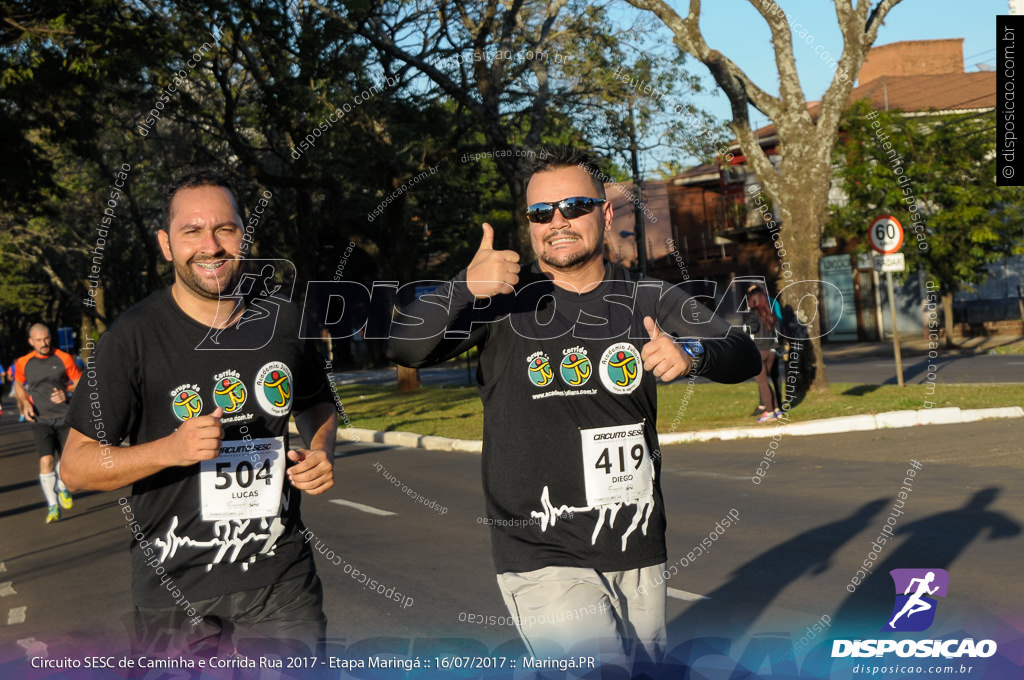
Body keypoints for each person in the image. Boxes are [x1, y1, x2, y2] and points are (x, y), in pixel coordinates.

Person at [387, 148, 760, 669]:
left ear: (605, 215)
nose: (557, 222)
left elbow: (741, 353)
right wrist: (461, 288)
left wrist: (692, 353)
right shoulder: (502, 303)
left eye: (575, 206)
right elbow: (403, 347)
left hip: (637, 543)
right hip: (542, 552)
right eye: (541, 213)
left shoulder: (648, 297)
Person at [62, 170, 338, 662]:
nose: (210, 246)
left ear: (243, 236)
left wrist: (320, 450)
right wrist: (170, 450)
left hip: (281, 580)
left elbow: (317, 402)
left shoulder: (282, 320)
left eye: (224, 229)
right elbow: (76, 467)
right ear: (167, 245)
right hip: (175, 589)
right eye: (192, 231)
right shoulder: (130, 340)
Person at [13, 324, 81, 522]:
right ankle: (52, 506)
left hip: (65, 417)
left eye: (47, 338)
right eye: (39, 340)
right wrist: (24, 402)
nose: (44, 343)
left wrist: (67, 392)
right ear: (31, 342)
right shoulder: (24, 362)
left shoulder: (63, 358)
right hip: (40, 418)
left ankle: (61, 486)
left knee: (69, 461)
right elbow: (18, 383)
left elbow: (79, 382)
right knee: (46, 461)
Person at [743, 286, 782, 423]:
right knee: (767, 381)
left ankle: (770, 412)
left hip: (758, 351)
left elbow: (751, 330)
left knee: (762, 383)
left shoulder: (751, 314)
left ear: (752, 299)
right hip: (771, 351)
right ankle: (777, 409)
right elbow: (778, 331)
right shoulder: (770, 313)